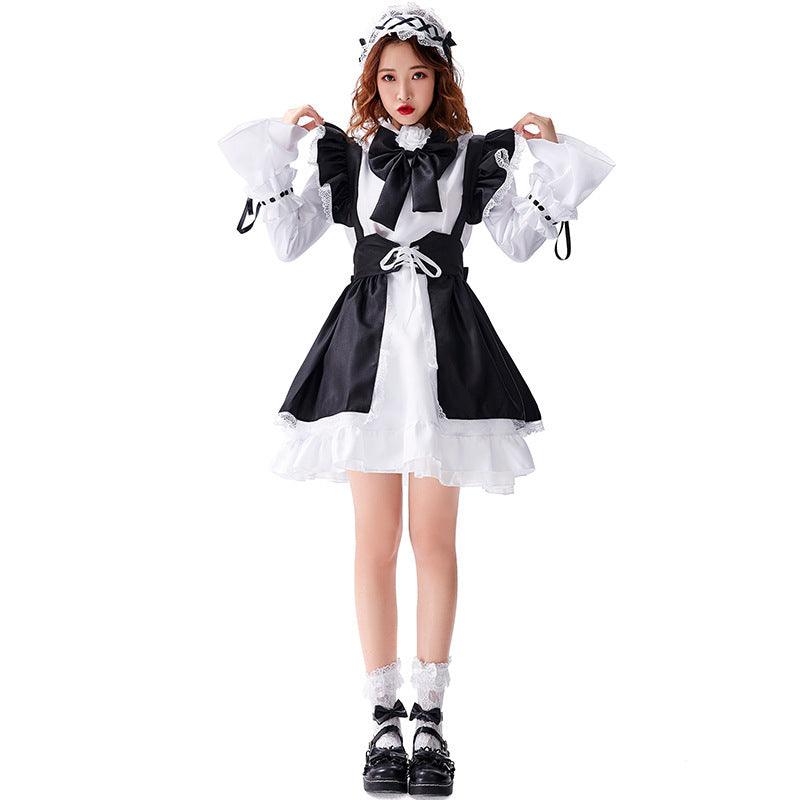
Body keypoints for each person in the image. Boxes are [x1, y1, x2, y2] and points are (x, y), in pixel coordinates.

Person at [218, 4, 614, 794]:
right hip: (365, 358)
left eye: (419, 75)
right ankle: (381, 722)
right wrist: (281, 152)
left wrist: (548, 160)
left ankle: (429, 718)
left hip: (444, 359)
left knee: (433, 541)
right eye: (391, 76)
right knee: (374, 542)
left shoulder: (475, 156)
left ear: (441, 80)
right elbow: (289, 242)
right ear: (373, 82)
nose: (404, 91)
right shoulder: (346, 156)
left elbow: (518, 242)